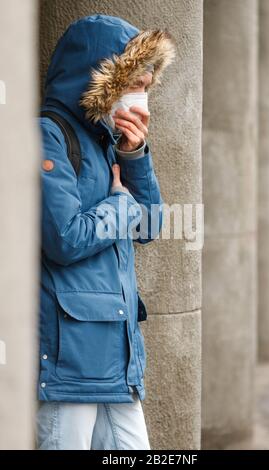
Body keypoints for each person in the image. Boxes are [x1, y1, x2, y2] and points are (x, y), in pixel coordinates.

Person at [36, 14, 176, 450]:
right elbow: (65, 239)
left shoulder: (106, 139)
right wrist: (119, 204)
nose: (140, 95)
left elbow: (150, 226)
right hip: (70, 359)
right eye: (132, 83)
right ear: (101, 80)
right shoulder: (47, 135)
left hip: (119, 358)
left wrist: (134, 156)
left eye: (146, 86)